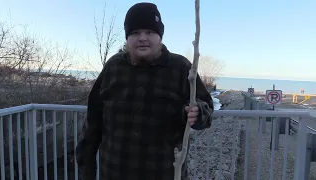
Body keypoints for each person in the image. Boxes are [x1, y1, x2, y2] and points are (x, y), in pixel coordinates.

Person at [75, 2, 214, 180]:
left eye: (149, 32)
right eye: (135, 33)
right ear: (127, 38)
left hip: (164, 174)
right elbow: (92, 124)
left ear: (160, 36)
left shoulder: (181, 68)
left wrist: (198, 113)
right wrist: (86, 171)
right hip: (114, 173)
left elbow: (207, 107)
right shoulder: (113, 68)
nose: (142, 38)